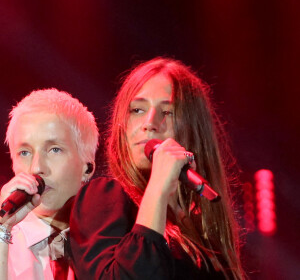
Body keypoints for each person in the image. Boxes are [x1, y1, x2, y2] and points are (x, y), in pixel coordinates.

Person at [70, 57, 245, 279]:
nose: (150, 122)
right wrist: (158, 189)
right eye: (137, 110)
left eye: (167, 112)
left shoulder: (204, 230)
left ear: (192, 130)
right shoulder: (104, 198)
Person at [0, 88, 99, 280]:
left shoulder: (110, 239)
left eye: (54, 150)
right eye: (24, 153)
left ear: (87, 167)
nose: (37, 168)